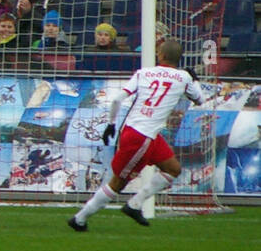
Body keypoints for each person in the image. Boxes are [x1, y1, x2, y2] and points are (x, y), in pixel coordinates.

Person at [68, 38, 206, 230]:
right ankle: (79, 219)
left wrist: (110, 125)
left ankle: (134, 204)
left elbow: (117, 99)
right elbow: (200, 99)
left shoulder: (144, 73)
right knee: (118, 183)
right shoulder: (184, 78)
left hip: (141, 133)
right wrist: (194, 79)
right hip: (142, 137)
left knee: (173, 169)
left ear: (161, 55)